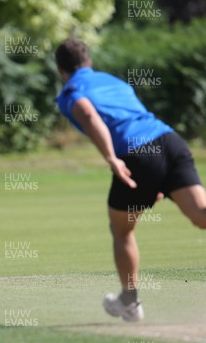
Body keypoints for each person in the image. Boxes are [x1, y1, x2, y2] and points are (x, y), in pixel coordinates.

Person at [54, 38, 206, 322]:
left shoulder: (71, 90)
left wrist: (111, 158)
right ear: (89, 62)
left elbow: (87, 113)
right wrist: (156, 181)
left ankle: (130, 302)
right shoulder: (114, 82)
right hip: (169, 140)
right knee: (201, 215)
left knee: (122, 230)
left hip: (136, 154)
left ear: (61, 70)